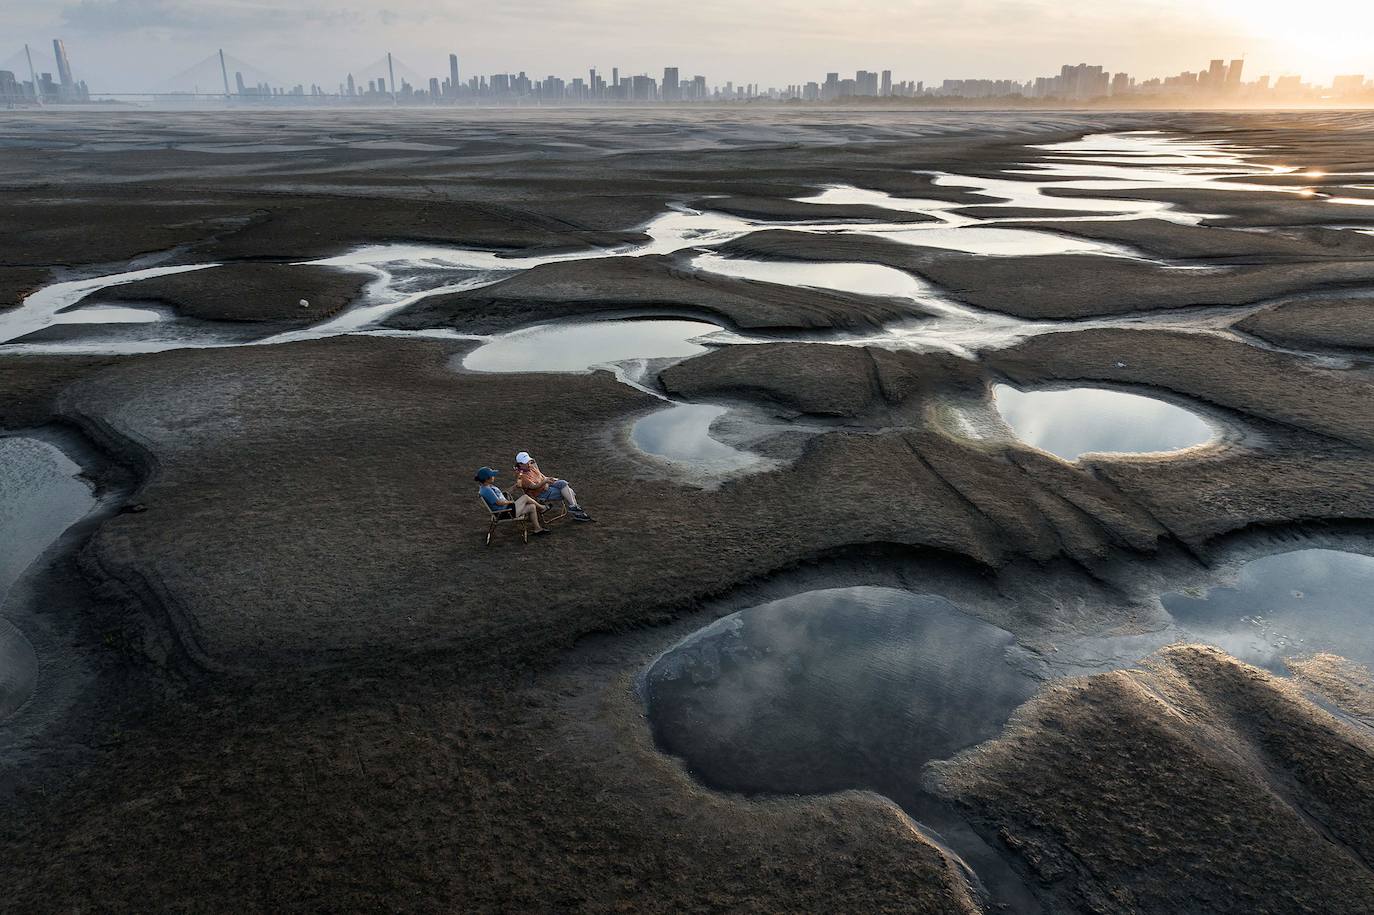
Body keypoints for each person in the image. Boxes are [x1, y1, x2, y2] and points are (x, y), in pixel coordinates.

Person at [513, 451, 594, 522]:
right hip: (541, 493)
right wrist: (545, 481)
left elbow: (540, 474)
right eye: (526, 462)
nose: (529, 463)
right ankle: (577, 512)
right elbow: (534, 487)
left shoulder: (530, 466)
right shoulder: (522, 476)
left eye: (528, 461)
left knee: (563, 483)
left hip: (547, 485)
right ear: (520, 464)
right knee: (569, 491)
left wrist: (548, 479)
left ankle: (574, 507)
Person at [475, 466, 548, 534]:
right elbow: (499, 502)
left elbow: (502, 494)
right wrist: (512, 502)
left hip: (506, 510)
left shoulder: (487, 487)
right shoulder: (487, 490)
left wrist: (515, 487)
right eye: (492, 475)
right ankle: (542, 508)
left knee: (532, 507)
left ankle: (537, 529)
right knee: (525, 497)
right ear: (487, 478)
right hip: (504, 512)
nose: (494, 476)